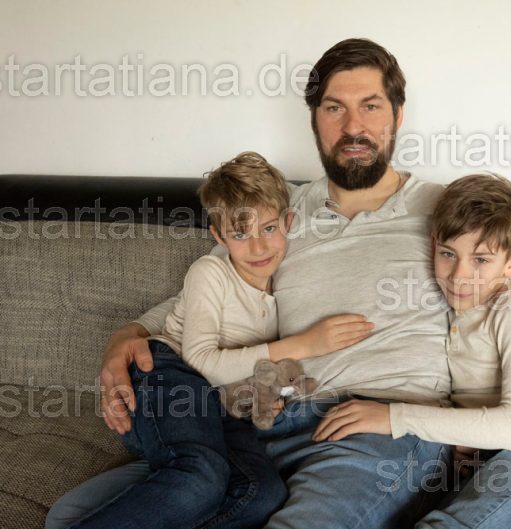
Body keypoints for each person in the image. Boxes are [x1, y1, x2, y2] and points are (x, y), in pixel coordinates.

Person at [48, 39, 511, 529]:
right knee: (70, 516)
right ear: (314, 119)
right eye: (334, 108)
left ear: (397, 114)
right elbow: (210, 289)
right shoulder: (279, 213)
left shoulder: (448, 214)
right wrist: (130, 332)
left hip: (376, 432)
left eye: (371, 106)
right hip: (260, 419)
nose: (353, 127)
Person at [50, 152, 374, 529]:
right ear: (219, 237)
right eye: (240, 234)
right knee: (200, 478)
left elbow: (248, 368)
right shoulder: (209, 272)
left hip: (219, 406)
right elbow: (202, 361)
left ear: (288, 222)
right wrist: (306, 344)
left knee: (262, 494)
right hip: (169, 376)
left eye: (269, 228)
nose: (258, 247)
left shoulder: (282, 288)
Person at [313, 173, 511, 528]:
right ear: (434, 244)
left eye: (481, 260)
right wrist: (464, 436)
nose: (458, 276)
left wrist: (393, 417)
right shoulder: (454, 309)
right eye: (448, 254)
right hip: (487, 452)